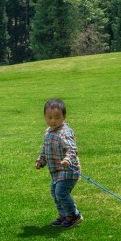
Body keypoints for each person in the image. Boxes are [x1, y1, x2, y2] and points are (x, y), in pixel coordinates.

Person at [34, 98, 83, 228]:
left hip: (68, 171)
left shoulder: (64, 133)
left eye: (57, 117)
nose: (53, 121)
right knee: (55, 193)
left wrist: (67, 159)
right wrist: (41, 161)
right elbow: (45, 149)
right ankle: (64, 215)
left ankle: (74, 215)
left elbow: (72, 149)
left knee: (61, 193)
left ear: (64, 117)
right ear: (45, 117)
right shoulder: (48, 132)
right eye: (50, 118)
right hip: (56, 172)